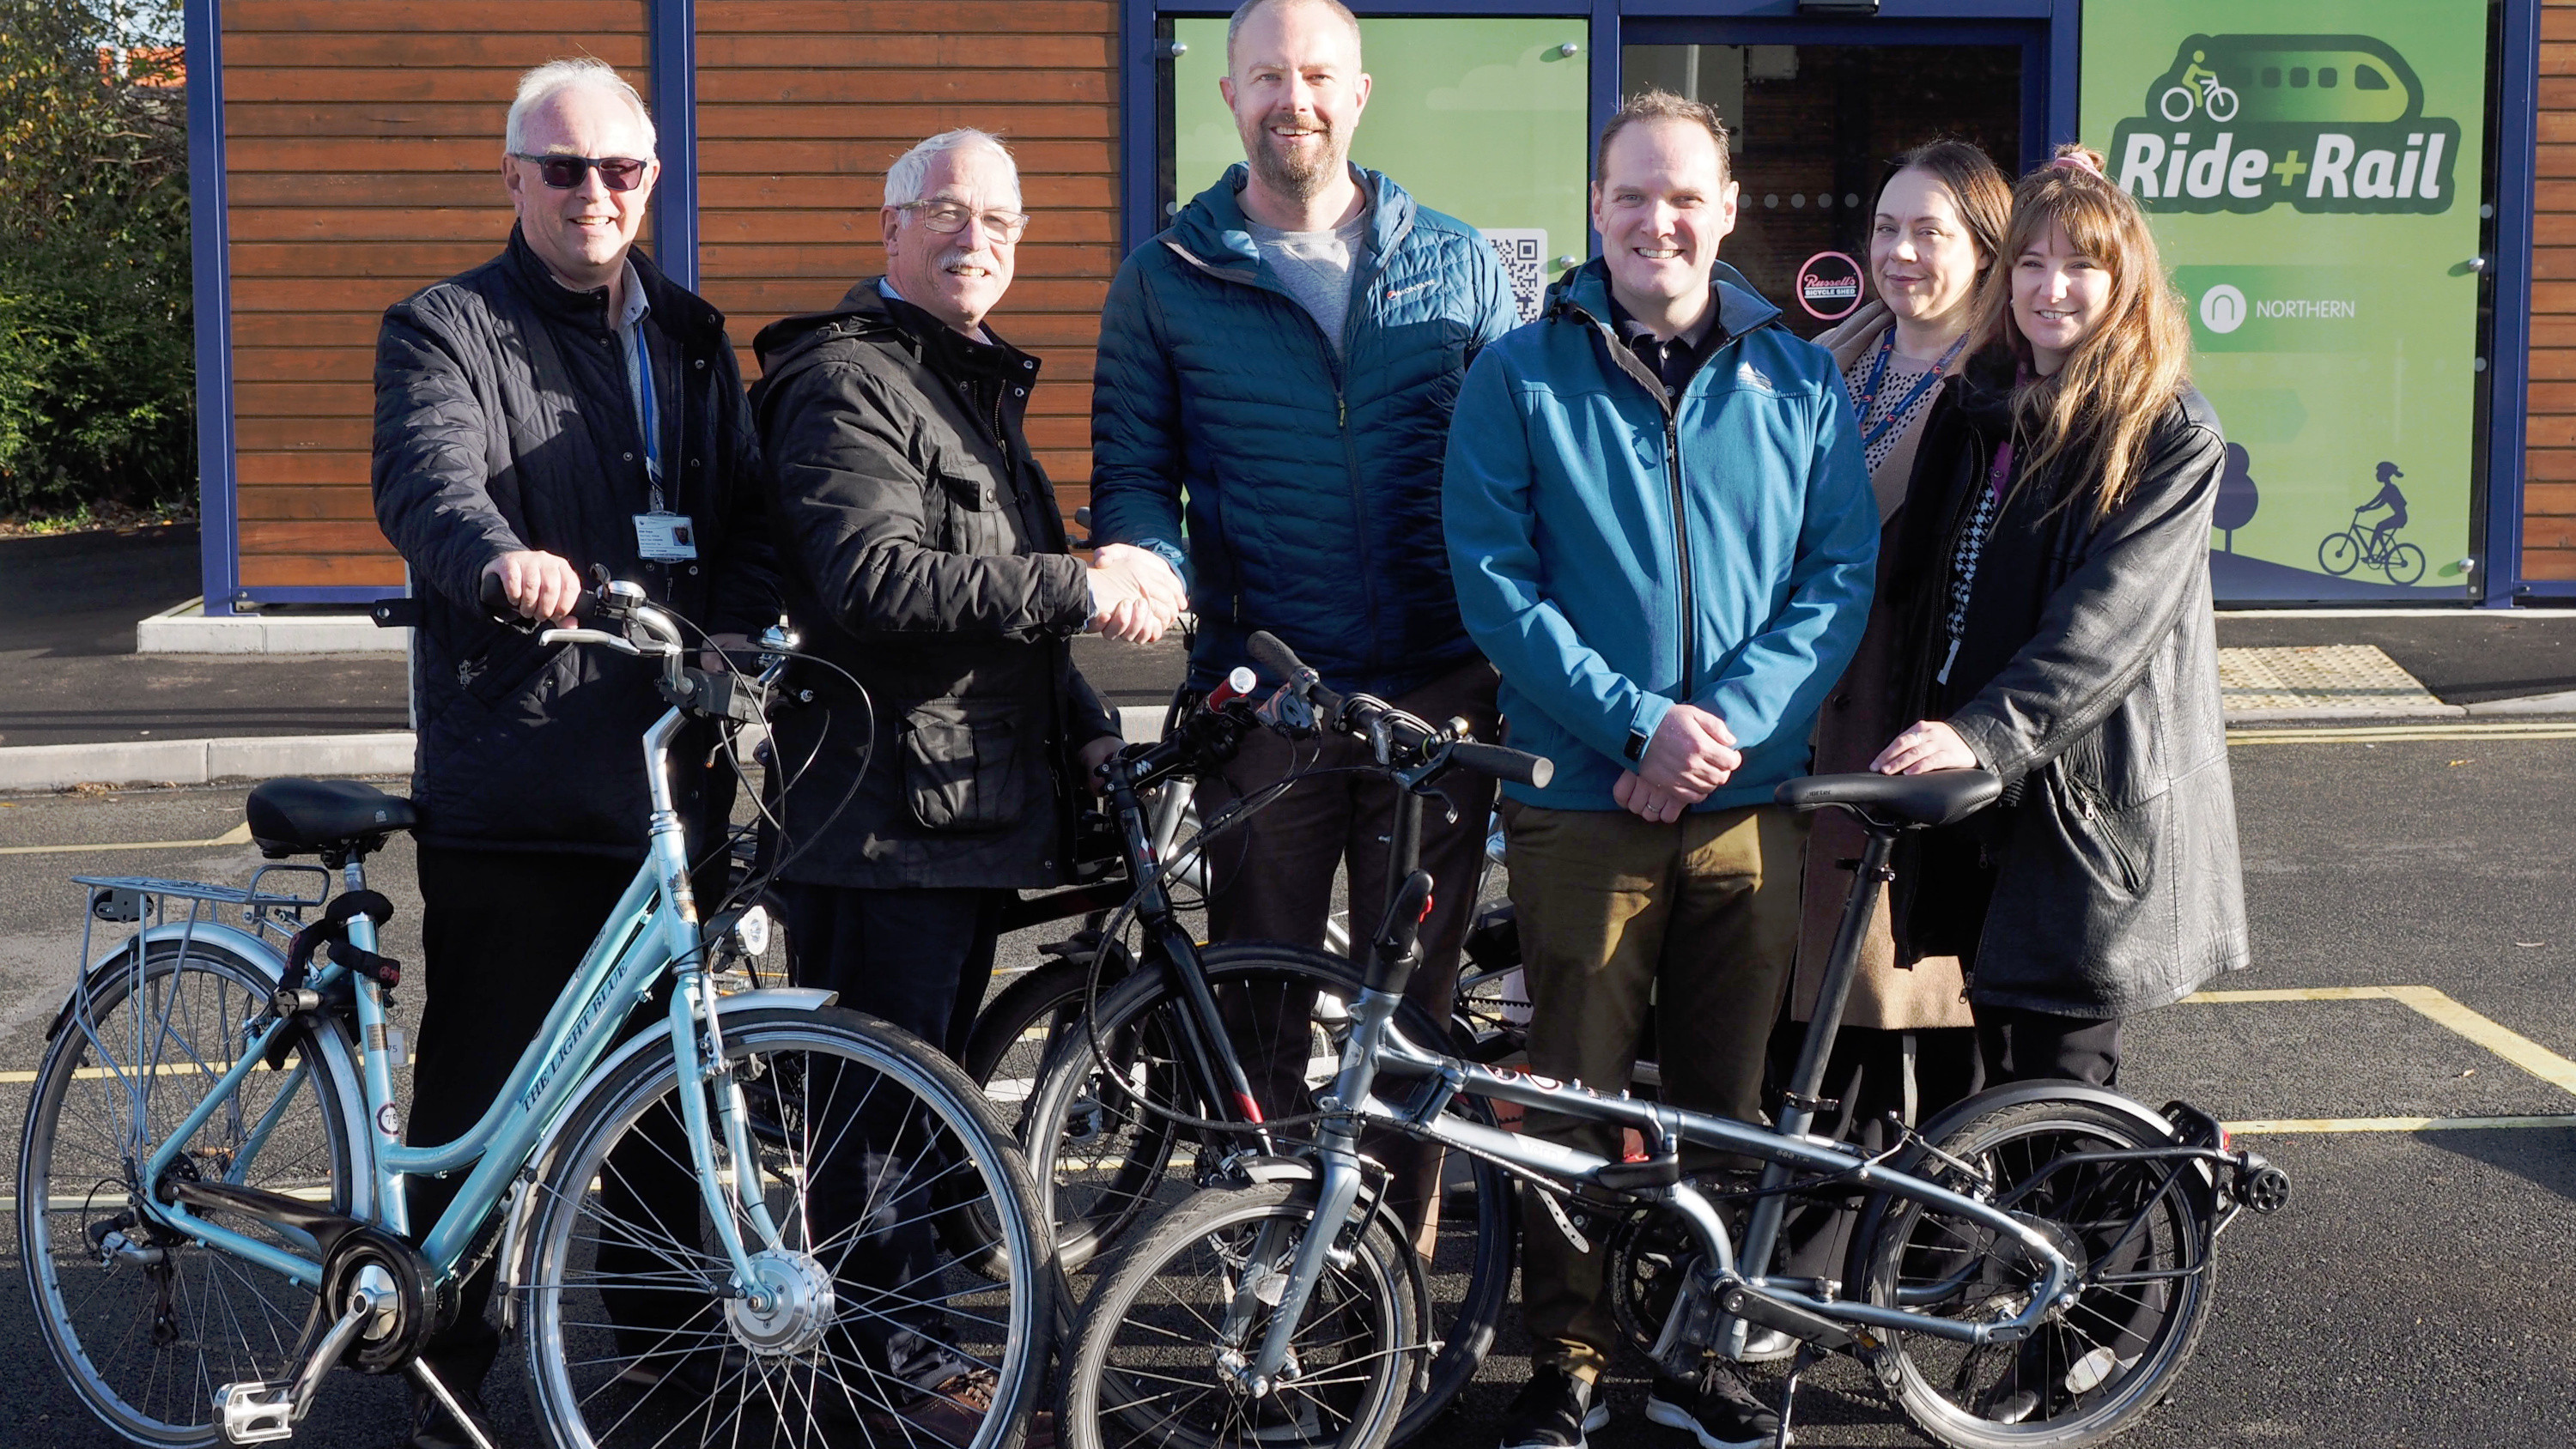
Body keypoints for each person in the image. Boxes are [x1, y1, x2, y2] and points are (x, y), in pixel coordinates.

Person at [1443, 88, 1877, 1449]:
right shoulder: (1521, 373)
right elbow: (1497, 588)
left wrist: (1715, 734)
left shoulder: (1798, 378)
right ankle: (1565, 1363)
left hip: (1747, 805)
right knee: (1570, 1095)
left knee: (1724, 1104)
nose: (1657, 219)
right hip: (1581, 801)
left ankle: (1699, 1351)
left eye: (1685, 193)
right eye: (1632, 194)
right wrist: (1638, 730)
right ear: (1596, 209)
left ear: (1729, 210)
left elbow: (1836, 579)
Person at [371, 58, 779, 1449]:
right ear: (513, 179)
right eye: (563, 169)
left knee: (674, 1098)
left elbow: (749, 517)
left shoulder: (691, 334)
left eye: (620, 169)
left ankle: (669, 1366)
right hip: (519, 781)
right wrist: (500, 564)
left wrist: (735, 632)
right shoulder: (446, 326)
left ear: (652, 179)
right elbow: (430, 481)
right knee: (485, 1094)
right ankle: (444, 1368)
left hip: (672, 780)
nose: (594, 192)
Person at [1087, 0, 1519, 1236]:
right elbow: (1131, 479)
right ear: (1227, 96)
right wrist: (1145, 578)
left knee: (1413, 1005)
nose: (1297, 99)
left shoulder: (1458, 261)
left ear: (1361, 93)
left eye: (1318, 74)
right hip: (1266, 694)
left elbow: (1517, 468)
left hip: (1436, 693)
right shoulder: (1165, 281)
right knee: (1260, 997)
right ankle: (1265, 1270)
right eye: (1268, 75)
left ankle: (1389, 1286)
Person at [748, 126, 1136, 1434]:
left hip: (959, 805)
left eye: (1004, 224)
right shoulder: (847, 382)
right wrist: (1086, 584)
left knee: (919, 1109)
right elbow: (876, 581)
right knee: (873, 1117)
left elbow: (1004, 620)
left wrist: (1080, 718)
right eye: (951, 215)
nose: (980, 241)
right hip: (877, 817)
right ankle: (879, 1374)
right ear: (890, 226)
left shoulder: (962, 383)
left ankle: (899, 1342)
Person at [1871, 142, 2248, 1092]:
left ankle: (2115, 1237)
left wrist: (1980, 734)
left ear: (2126, 282)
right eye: (2032, 262)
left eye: (2082, 264)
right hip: (1978, 793)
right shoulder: (1981, 405)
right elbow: (1919, 587)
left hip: (2076, 802)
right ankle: (2004, 1243)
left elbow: (2104, 628)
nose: (2052, 287)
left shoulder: (2167, 430)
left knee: (2060, 1079)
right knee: (1989, 1075)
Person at [1771, 140, 2015, 1285]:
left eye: (1930, 232)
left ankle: (1911, 1249)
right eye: (1885, 227)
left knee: (1896, 1002)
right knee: (1808, 996)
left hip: (1910, 713)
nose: (1900, 253)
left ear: (1984, 249)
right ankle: (1823, 1244)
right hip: (1812, 705)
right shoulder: (1837, 357)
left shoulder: (1997, 387)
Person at [2360, 460, 2408, 550]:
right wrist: (2365, 507)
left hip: (2400, 518)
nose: (2377, 474)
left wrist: (2366, 509)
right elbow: (2375, 500)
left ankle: (2371, 553)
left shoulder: (2391, 489)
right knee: (2379, 529)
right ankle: (2383, 553)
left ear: (2385, 474)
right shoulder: (2387, 488)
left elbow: (2380, 504)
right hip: (2399, 517)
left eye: (2379, 472)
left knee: (2379, 527)